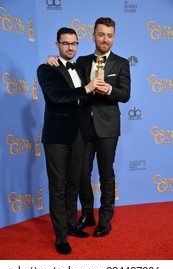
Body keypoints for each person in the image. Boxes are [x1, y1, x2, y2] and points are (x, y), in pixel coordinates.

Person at [45, 17, 131, 238]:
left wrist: (110, 89)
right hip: (81, 128)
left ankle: (104, 219)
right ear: (93, 36)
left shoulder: (121, 63)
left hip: (108, 128)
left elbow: (125, 94)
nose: (105, 39)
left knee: (106, 175)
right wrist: (52, 60)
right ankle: (87, 215)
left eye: (109, 35)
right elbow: (67, 76)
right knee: (81, 175)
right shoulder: (81, 60)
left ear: (114, 37)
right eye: (101, 34)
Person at [37, 27, 106, 254]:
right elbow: (56, 97)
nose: (70, 47)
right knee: (57, 186)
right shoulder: (47, 69)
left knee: (74, 184)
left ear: (78, 45)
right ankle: (60, 236)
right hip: (57, 136)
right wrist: (85, 88)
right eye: (65, 43)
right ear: (57, 44)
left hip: (80, 135)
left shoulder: (80, 67)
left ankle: (68, 224)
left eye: (74, 43)